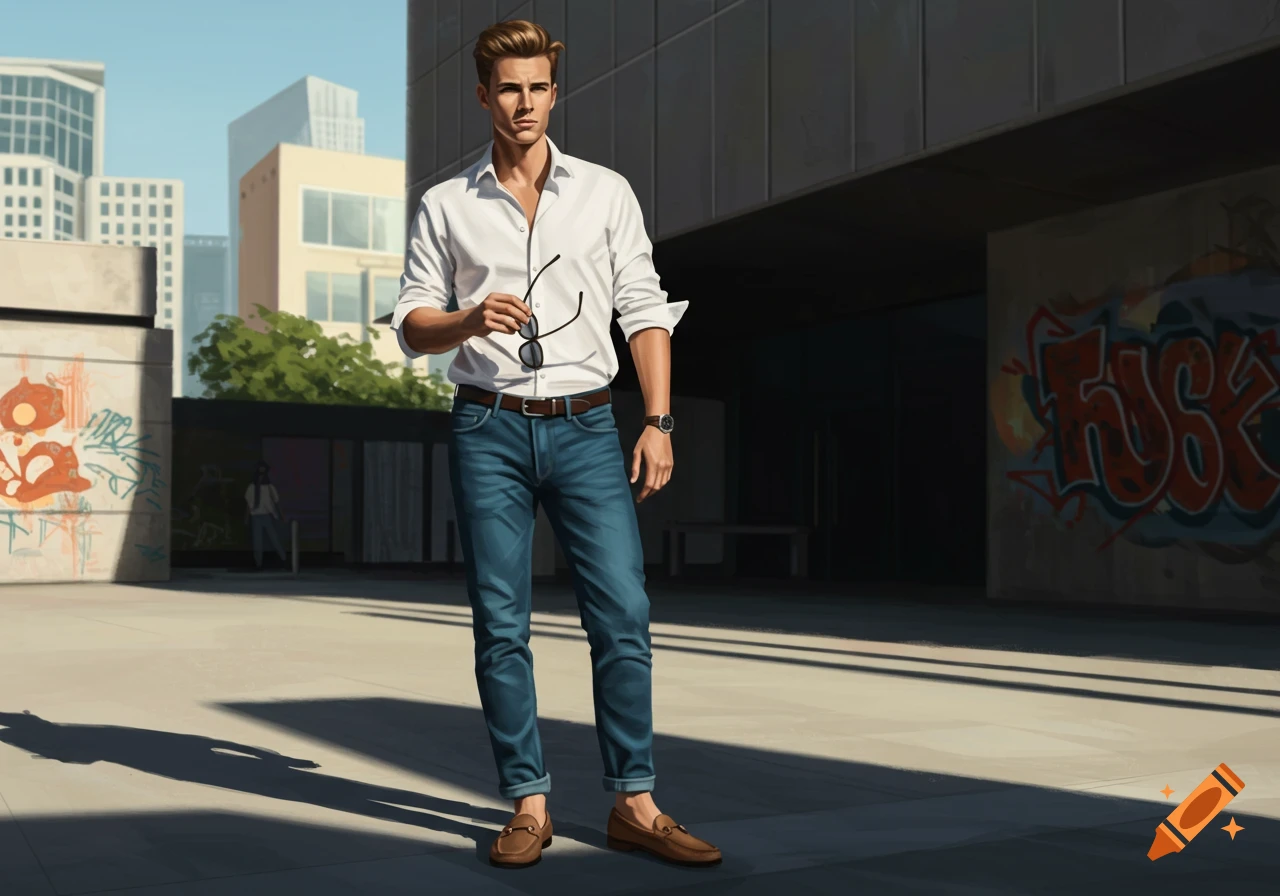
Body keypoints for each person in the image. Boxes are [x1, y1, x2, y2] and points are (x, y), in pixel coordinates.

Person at [392, 19, 720, 870]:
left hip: (586, 426)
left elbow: (644, 308)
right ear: (482, 96)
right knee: (501, 624)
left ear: (553, 91)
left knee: (624, 614)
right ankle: (527, 804)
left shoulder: (604, 193)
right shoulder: (446, 204)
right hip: (486, 424)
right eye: (508, 88)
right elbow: (413, 326)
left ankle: (635, 803)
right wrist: (469, 317)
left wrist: (657, 421)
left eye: (538, 86)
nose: (525, 102)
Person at [244, 462, 288, 569]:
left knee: (274, 539)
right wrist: (246, 517)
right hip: (256, 516)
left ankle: (284, 559)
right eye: (259, 474)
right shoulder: (252, 487)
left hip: (267, 515)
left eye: (263, 474)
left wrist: (282, 515)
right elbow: (248, 503)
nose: (261, 477)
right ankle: (258, 563)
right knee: (257, 541)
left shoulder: (269, 487)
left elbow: (276, 501)